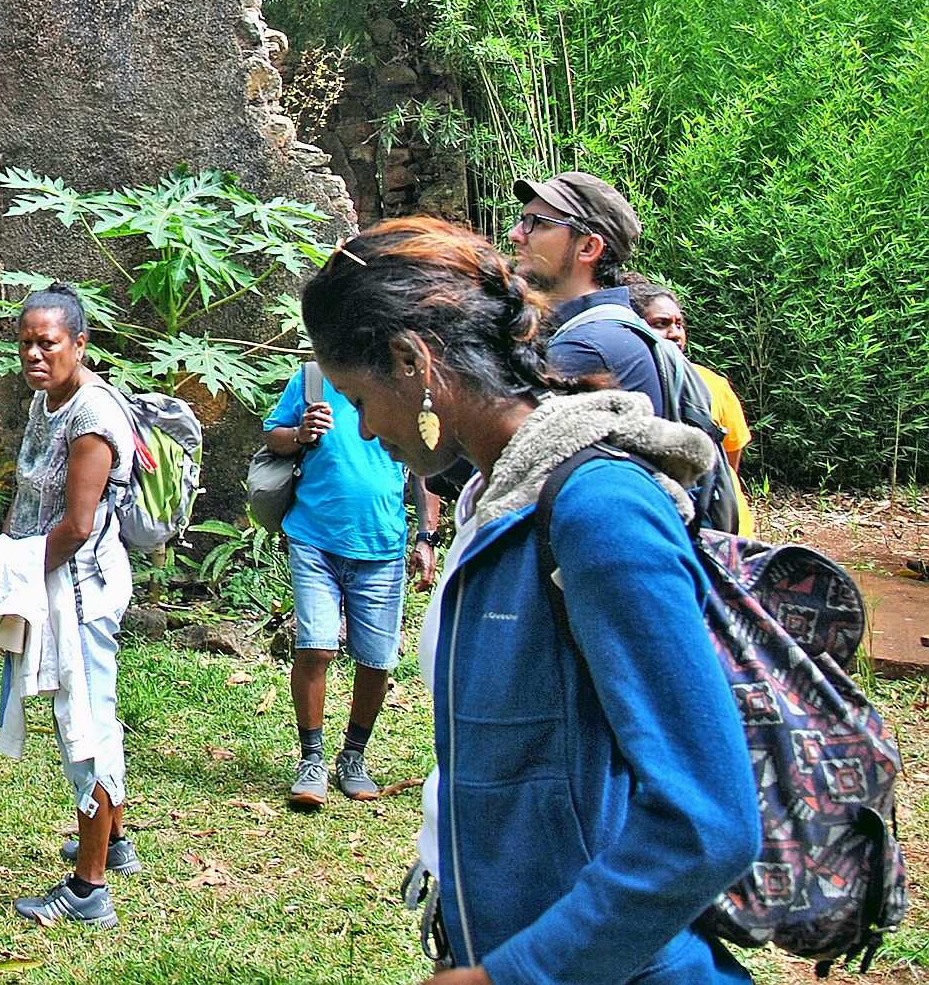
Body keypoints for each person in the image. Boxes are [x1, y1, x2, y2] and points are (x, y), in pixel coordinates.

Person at [304, 219, 760, 985]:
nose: (361, 427)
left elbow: (708, 822)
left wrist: (518, 973)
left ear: (411, 361)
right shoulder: (492, 498)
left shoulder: (598, 509)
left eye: (355, 396)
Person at [1, 282, 142, 928]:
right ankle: (110, 843)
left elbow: (76, 524)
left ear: (79, 344)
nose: (33, 353)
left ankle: (88, 889)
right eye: (25, 342)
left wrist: (16, 574)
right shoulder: (45, 400)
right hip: (59, 582)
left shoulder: (90, 416)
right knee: (88, 720)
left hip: (80, 591)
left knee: (85, 731)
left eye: (47, 342)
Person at [508, 171, 734, 527]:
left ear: (588, 248)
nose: (516, 235)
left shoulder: (586, 346)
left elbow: (513, 469)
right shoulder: (614, 330)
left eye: (536, 223)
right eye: (522, 221)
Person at [262, 363, 437, 810]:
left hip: (382, 544)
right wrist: (300, 433)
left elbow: (425, 466)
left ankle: (353, 756)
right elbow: (273, 437)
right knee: (316, 646)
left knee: (377, 660)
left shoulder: (404, 382)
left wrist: (426, 537)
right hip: (314, 536)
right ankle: (312, 759)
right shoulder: (313, 377)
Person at [630, 277, 756, 531]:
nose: (675, 333)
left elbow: (729, 461)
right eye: (661, 324)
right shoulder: (629, 385)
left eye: (679, 324)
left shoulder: (713, 384)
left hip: (722, 526)